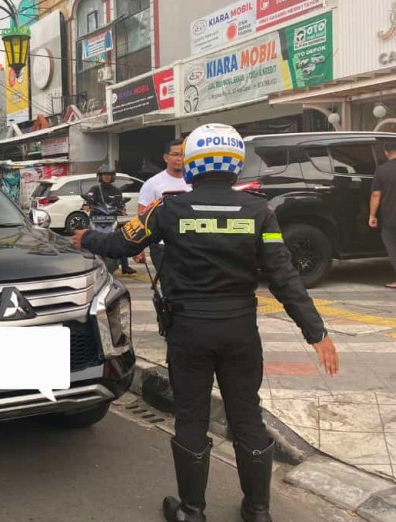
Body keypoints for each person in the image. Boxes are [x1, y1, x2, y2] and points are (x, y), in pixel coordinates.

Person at [73, 123, 339, 522]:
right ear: (236, 164)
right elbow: (284, 277)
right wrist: (316, 332)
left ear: (193, 165)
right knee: (246, 415)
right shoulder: (260, 212)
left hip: (189, 332)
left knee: (192, 417)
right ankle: (258, 510)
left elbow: (118, 244)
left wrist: (82, 238)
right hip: (240, 332)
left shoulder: (167, 209)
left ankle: (192, 511)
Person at [134, 138, 192, 272]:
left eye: (183, 154)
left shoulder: (195, 181)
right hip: (162, 246)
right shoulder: (153, 184)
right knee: (168, 286)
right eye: (175, 154)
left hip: (190, 245)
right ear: (166, 157)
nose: (180, 159)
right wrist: (138, 247)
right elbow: (142, 217)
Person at [83, 164, 136, 275]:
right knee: (87, 237)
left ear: (112, 176)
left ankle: (125, 266)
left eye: (109, 175)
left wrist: (122, 209)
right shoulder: (95, 188)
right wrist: (86, 204)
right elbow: (89, 197)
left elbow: (120, 203)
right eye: (104, 175)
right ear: (100, 176)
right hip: (96, 217)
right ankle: (86, 264)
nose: (106, 177)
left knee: (121, 238)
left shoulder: (116, 190)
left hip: (111, 217)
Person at [369, 140, 396, 293]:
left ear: (386, 153)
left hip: (391, 218)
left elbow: (376, 195)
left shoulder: (382, 170)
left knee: (395, 250)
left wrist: (372, 215)